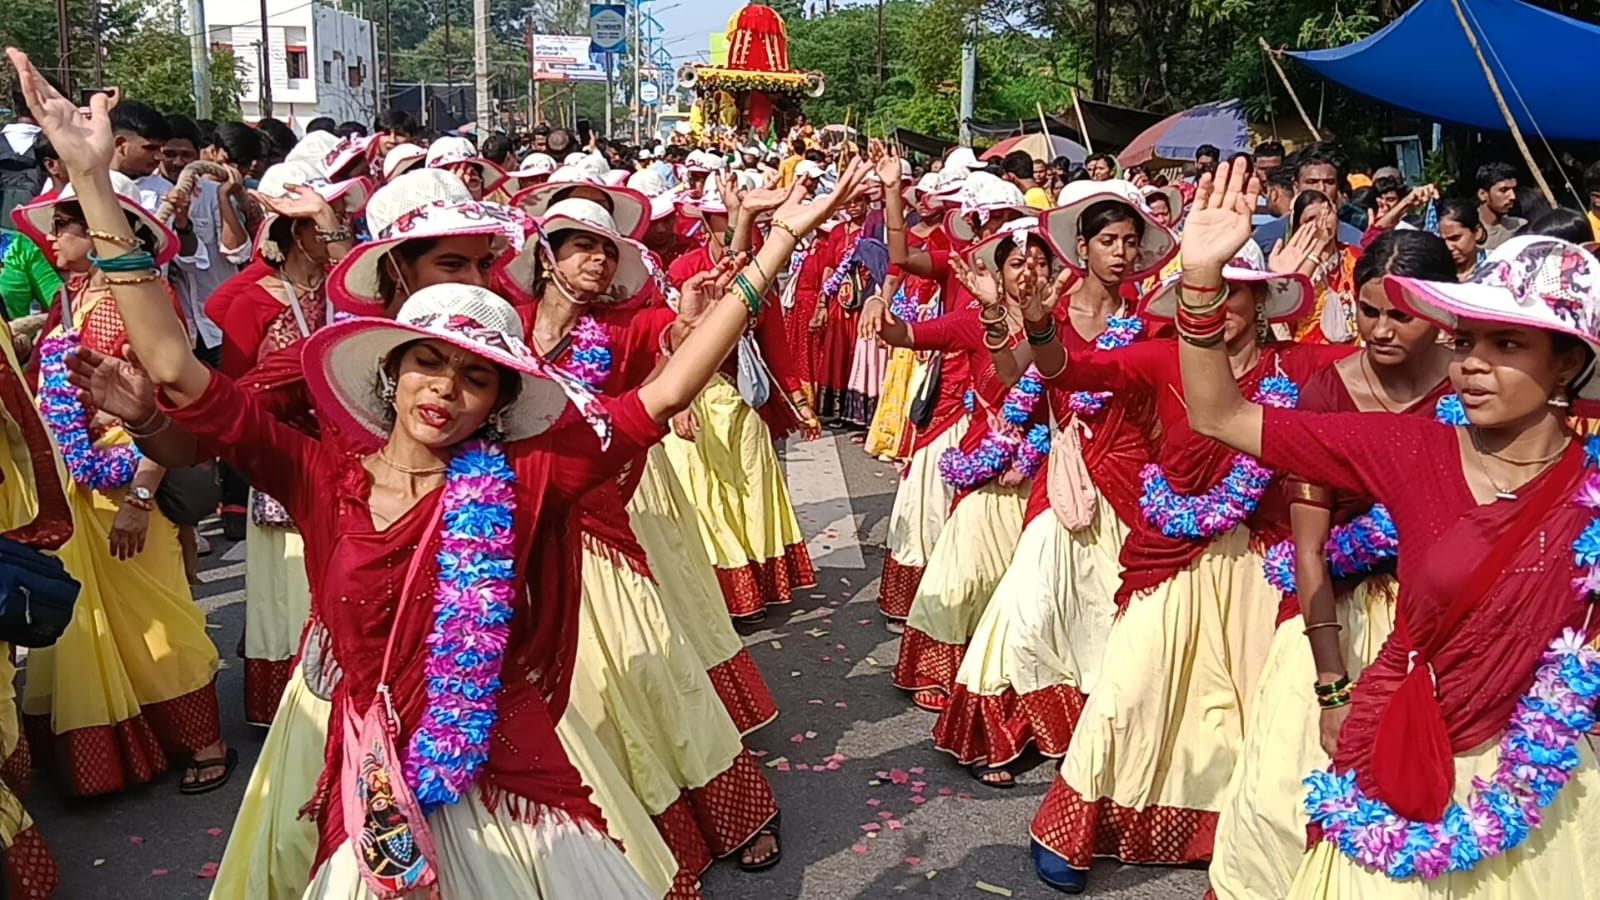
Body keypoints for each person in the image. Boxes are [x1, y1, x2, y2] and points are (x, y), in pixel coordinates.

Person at [19, 45, 863, 895]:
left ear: (499, 400)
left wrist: (782, 239)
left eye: (476, 376)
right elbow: (174, 370)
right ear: (390, 371)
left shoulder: (532, 474)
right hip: (375, 783)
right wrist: (94, 186)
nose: (447, 390)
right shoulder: (322, 476)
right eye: (430, 364)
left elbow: (667, 390)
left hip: (520, 782)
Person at [1175, 156, 1600, 900]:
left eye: (1506, 346)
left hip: (1546, 785)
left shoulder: (1590, 486)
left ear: (1567, 366)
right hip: (1407, 762)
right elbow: (1221, 416)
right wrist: (1201, 282)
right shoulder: (1413, 450)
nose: (1471, 365)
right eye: (1465, 342)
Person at [1021, 197, 1348, 894]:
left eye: (1237, 294)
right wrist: (1038, 322)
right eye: (1212, 291)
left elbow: (1398, 367)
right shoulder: (1163, 357)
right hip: (1172, 556)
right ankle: (1076, 823)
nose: (1222, 306)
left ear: (1263, 303)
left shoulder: (1309, 369)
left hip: (1263, 562)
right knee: (1127, 686)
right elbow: (1071, 374)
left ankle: (1231, 832)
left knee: (1255, 711)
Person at [1207, 230, 1458, 900]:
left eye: (1400, 316)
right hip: (1337, 618)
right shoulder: (1326, 391)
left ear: (1441, 314)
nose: (1378, 330)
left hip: (1441, 622)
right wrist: (1332, 688)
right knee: (1282, 800)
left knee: (1429, 806)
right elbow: (1310, 548)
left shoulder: (1477, 392)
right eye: (1367, 310)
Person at [930, 179, 1170, 786]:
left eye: (1130, 243)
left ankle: (1099, 731)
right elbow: (1011, 375)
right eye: (1108, 241)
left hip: (1133, 480)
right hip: (1063, 474)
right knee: (1030, 601)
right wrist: (993, 310)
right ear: (1081, 248)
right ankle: (1004, 730)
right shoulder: (1053, 315)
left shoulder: (1152, 322)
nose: (1121, 253)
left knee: (1112, 613)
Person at [10, 166, 233, 799]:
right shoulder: (69, 297)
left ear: (107, 232)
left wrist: (138, 496)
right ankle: (123, 746)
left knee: (156, 615)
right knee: (92, 620)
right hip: (77, 486)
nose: (51, 238)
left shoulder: (141, 306)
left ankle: (205, 742)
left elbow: (171, 404)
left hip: (126, 476)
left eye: (64, 225)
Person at [664, 175, 821, 624]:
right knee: (703, 496)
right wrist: (680, 403)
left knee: (751, 490)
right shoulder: (683, 273)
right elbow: (670, 342)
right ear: (706, 222)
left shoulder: (757, 276)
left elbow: (775, 344)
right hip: (692, 395)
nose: (727, 225)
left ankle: (755, 588)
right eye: (720, 218)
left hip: (741, 402)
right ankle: (716, 591)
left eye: (735, 218)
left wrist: (799, 402)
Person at [1252, 147, 1365, 254]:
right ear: (1296, 186)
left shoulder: (1355, 239)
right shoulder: (1265, 236)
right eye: (1312, 182)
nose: (1321, 188)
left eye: (1329, 182)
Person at [1476, 161, 1525, 250]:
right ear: (1483, 194)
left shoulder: (1520, 228)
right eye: (1503, 190)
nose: (1512, 196)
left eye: (1514, 190)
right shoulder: (1466, 230)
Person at [1434, 197, 1487, 280]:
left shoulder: (1496, 265)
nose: (1449, 247)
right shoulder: (1433, 273)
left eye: (1455, 238)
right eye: (1442, 240)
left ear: (1477, 232)